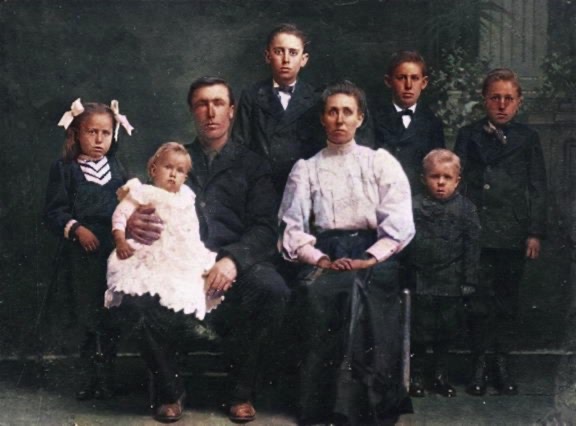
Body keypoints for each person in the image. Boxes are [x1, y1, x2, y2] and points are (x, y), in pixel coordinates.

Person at [126, 77, 290, 423]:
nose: (210, 112)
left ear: (231, 111)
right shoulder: (174, 160)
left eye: (218, 103)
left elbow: (265, 227)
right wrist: (132, 222)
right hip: (179, 262)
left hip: (235, 262)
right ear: (192, 111)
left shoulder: (253, 164)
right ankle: (171, 390)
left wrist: (233, 260)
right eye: (202, 104)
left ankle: (240, 392)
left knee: (272, 289)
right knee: (134, 294)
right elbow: (143, 202)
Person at [279, 80, 415, 425]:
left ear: (360, 118)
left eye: (347, 112)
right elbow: (292, 228)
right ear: (322, 118)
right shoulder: (307, 168)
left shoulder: (379, 163)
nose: (340, 119)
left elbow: (399, 221)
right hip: (326, 251)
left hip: (373, 252)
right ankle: (324, 404)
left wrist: (370, 257)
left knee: (361, 290)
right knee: (316, 292)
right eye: (332, 112)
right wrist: (320, 258)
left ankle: (366, 403)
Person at [454, 68, 547, 396]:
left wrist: (534, 232)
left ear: (519, 102)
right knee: (478, 302)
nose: (502, 105)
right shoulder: (468, 135)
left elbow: (538, 188)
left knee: (507, 302)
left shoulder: (528, 138)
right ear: (484, 100)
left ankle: (502, 364)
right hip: (478, 230)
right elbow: (458, 184)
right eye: (495, 98)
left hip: (512, 231)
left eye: (509, 98)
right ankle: (478, 365)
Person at [43, 98, 133, 400]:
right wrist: (77, 229)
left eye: (105, 133)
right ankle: (88, 378)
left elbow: (128, 206)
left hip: (112, 250)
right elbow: (53, 212)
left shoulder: (116, 167)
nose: (98, 140)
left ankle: (108, 377)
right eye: (91, 132)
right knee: (86, 315)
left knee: (111, 314)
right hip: (82, 256)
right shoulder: (65, 169)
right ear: (77, 133)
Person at [105, 142, 221, 320]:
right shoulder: (143, 192)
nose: (173, 174)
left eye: (180, 171)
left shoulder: (186, 197)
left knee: (188, 283)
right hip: (150, 250)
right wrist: (120, 240)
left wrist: (193, 250)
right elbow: (120, 215)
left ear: (185, 177)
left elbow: (191, 227)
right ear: (153, 170)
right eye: (168, 167)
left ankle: (182, 318)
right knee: (150, 284)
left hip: (179, 252)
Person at [405, 149, 481, 398]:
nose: (440, 183)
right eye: (434, 176)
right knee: (418, 330)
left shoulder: (466, 209)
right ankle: (416, 375)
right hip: (420, 279)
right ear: (422, 178)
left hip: (450, 279)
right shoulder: (413, 206)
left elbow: (472, 246)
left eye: (447, 178)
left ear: (457, 181)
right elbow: (403, 243)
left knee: (446, 330)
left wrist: (469, 280)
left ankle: (440, 376)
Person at [232, 23, 325, 195]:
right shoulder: (252, 96)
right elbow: (240, 145)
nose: (286, 59)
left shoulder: (315, 99)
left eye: (293, 52)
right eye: (279, 51)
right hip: (261, 186)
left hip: (303, 187)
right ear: (268, 56)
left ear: (304, 59)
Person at [372, 50, 445, 194]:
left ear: (424, 83)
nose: (408, 85)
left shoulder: (432, 123)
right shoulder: (373, 118)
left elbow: (437, 169)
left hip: (417, 199)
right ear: (388, 81)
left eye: (415, 78)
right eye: (401, 78)